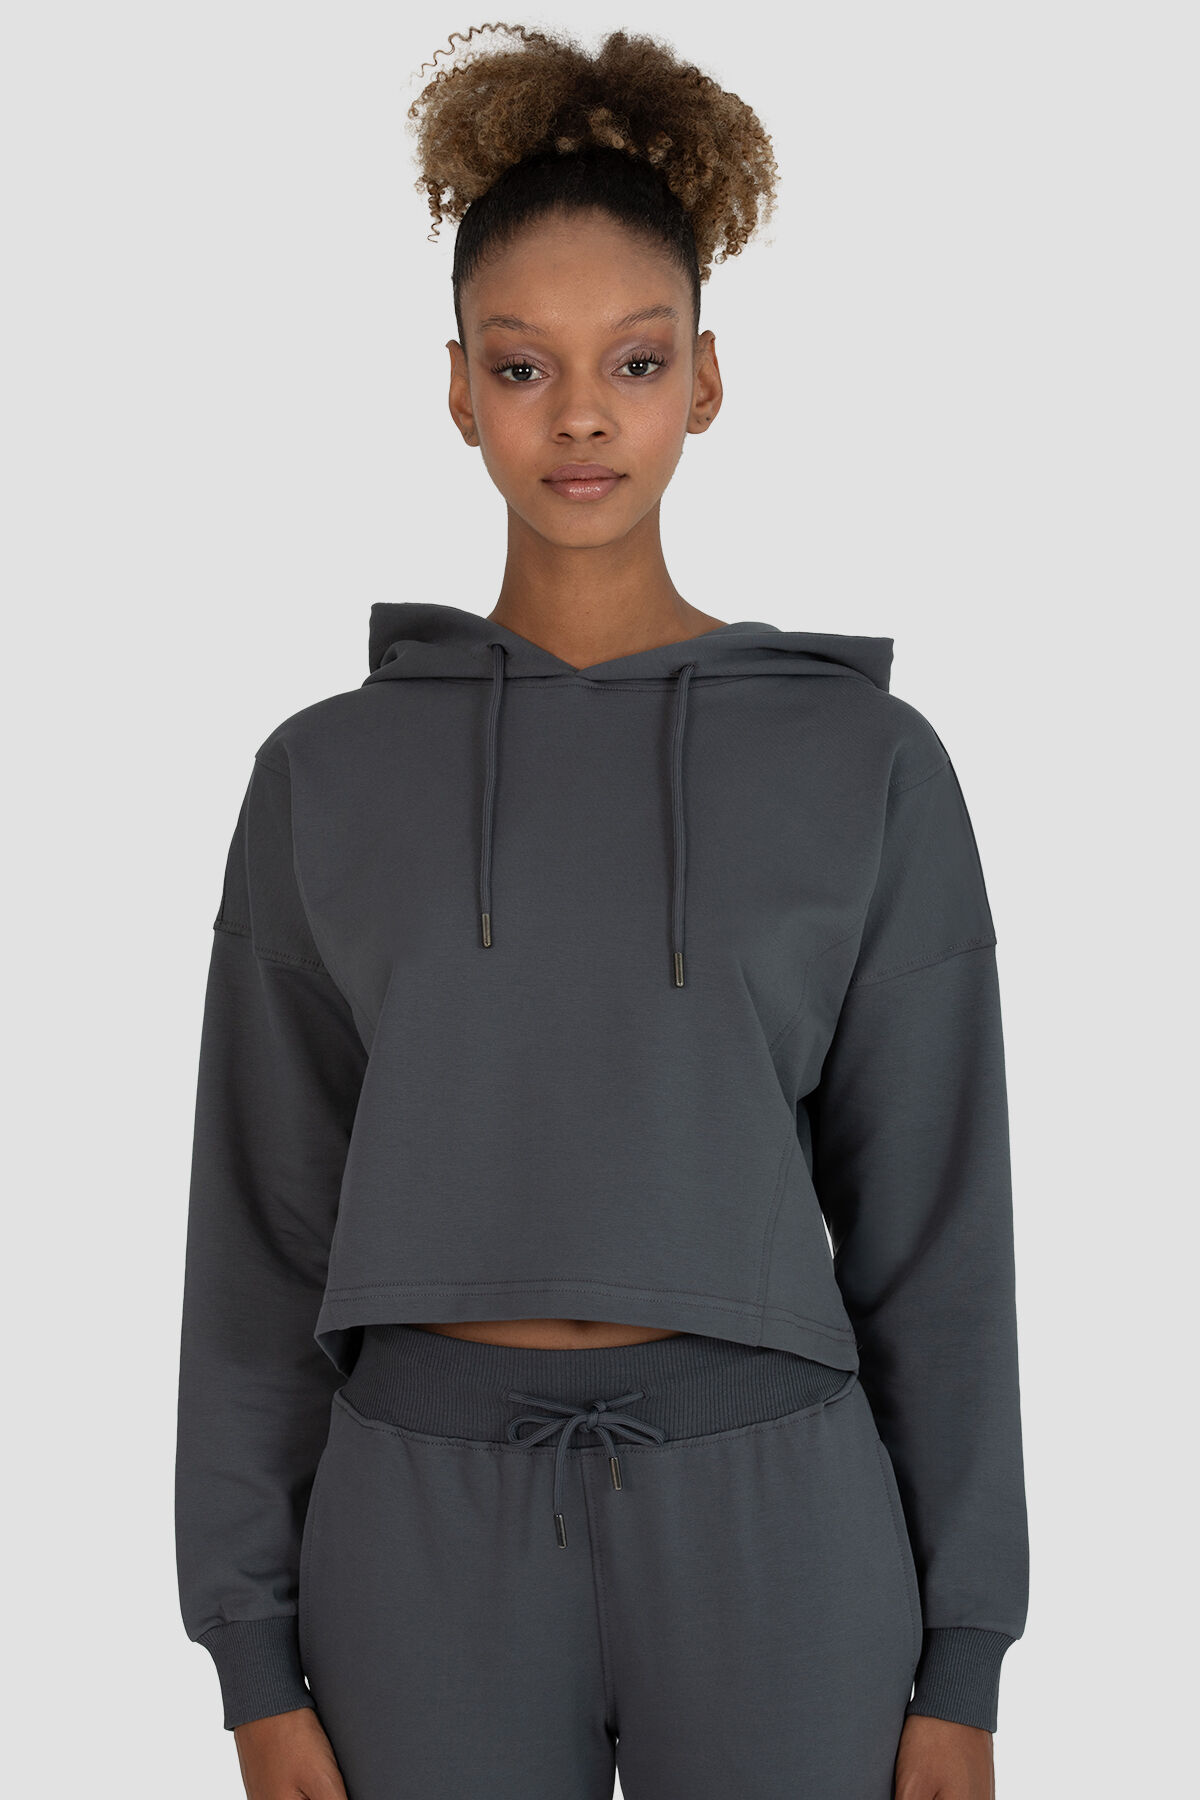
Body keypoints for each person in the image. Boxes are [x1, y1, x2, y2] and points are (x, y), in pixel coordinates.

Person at [174, 23, 1029, 1800]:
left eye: (634, 360)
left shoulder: (866, 763)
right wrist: (249, 1651)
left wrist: (965, 1660)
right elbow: (260, 1232)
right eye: (522, 365)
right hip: (415, 1525)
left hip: (779, 1515)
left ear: (705, 380)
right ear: (457, 389)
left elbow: (936, 1233)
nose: (579, 415)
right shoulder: (323, 775)